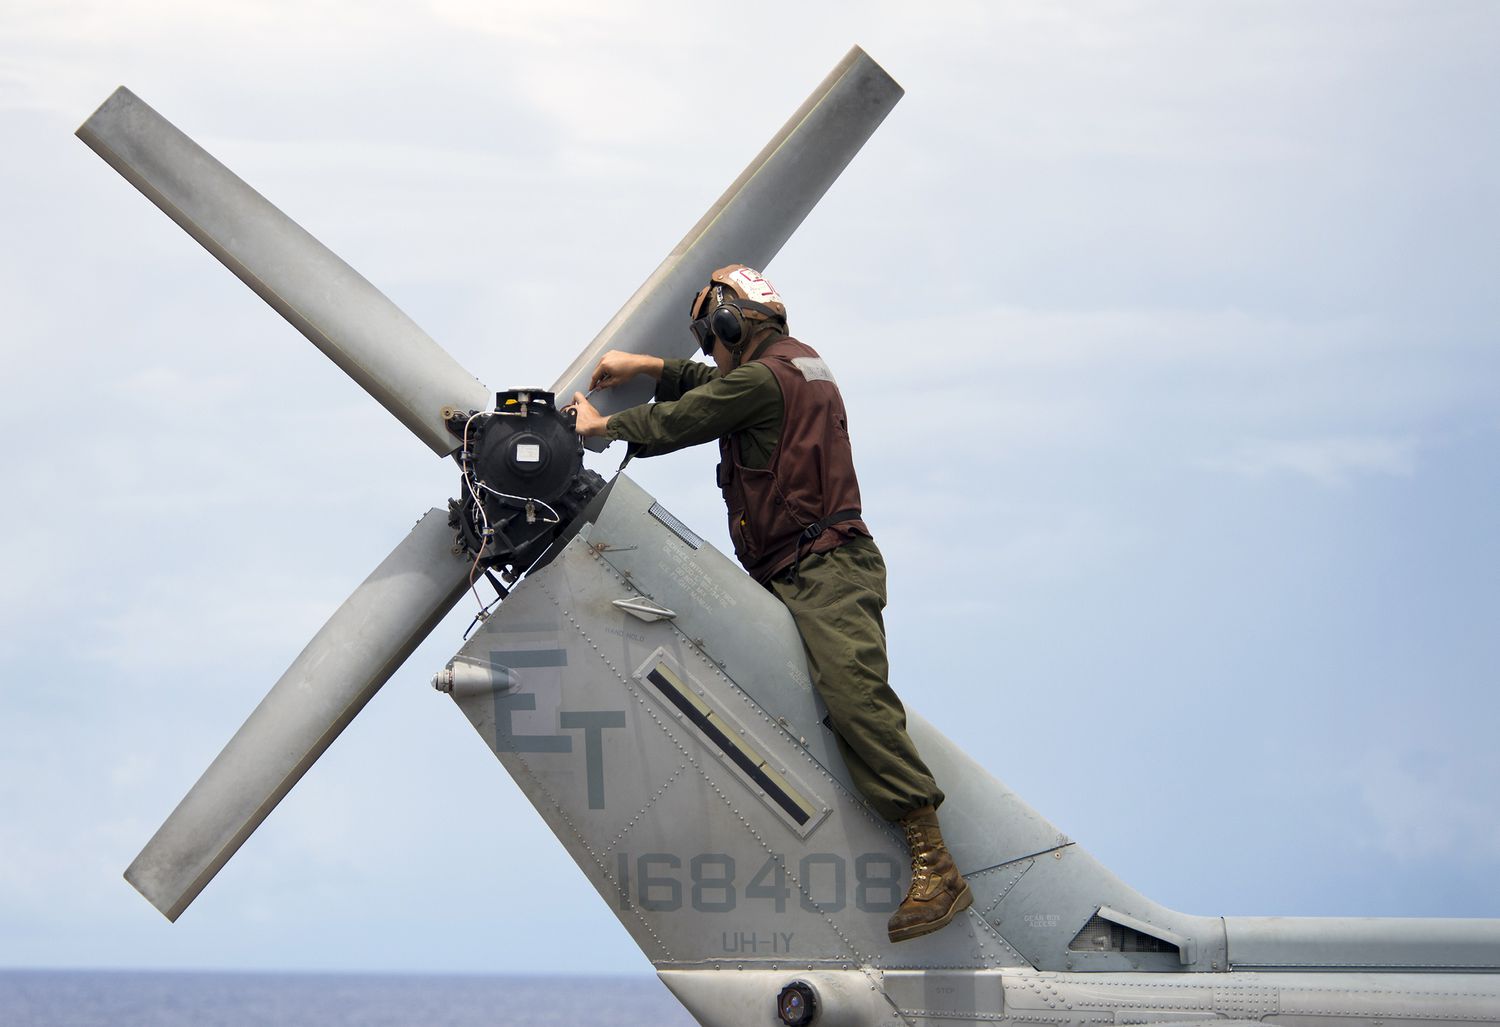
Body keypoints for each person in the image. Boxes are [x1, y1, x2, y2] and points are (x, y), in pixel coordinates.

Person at [568, 265, 971, 943]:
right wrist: (648, 364)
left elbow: (697, 413)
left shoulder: (761, 380)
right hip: (798, 568)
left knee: (853, 699)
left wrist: (601, 426)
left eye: (709, 337)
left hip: (825, 572)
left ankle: (936, 862)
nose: (708, 351)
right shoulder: (793, 365)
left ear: (733, 325)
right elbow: (716, 388)